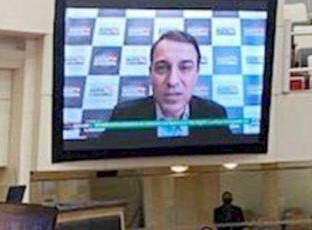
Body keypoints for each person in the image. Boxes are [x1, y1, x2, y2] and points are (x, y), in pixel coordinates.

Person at [97, 30, 231, 148]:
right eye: (162, 68)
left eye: (185, 68)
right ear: (150, 74)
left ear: (196, 73)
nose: (172, 81)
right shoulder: (124, 117)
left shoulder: (215, 115)